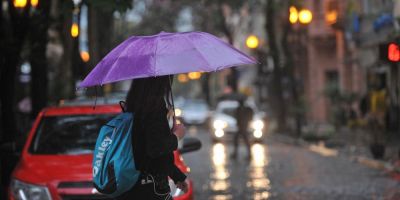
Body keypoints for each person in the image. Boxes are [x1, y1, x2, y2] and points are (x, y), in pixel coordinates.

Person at [116, 75, 188, 200]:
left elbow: (150, 155)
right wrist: (177, 136)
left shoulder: (134, 105)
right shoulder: (154, 107)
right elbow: (156, 149)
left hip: (133, 188)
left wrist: (177, 176)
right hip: (151, 189)